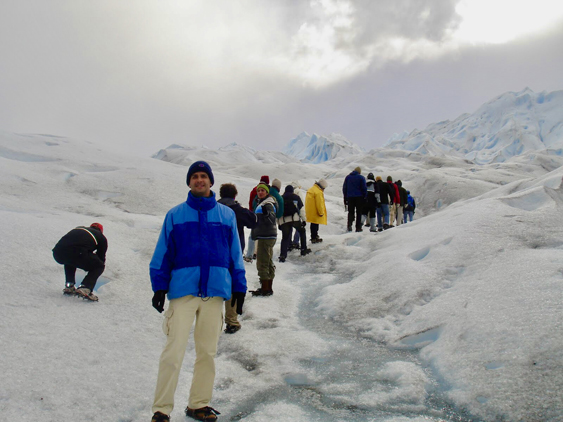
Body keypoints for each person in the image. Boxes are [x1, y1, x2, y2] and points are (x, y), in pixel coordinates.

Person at [149, 161, 247, 422]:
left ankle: (198, 404)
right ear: (189, 182)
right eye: (195, 176)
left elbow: (234, 255)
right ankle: (161, 410)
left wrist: (239, 285)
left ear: (211, 182)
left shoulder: (226, 216)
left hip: (214, 294)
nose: (199, 180)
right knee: (173, 351)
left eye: (204, 176)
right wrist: (159, 286)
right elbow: (163, 253)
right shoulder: (175, 215)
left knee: (207, 353)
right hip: (183, 293)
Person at [218, 183, 257, 334]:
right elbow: (253, 221)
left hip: (214, 255)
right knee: (233, 285)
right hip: (233, 253)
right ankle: (231, 321)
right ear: (234, 195)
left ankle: (213, 321)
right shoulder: (236, 210)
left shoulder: (213, 209)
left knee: (215, 286)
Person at [52, 222, 107, 301]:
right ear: (101, 231)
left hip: (57, 253)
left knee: (70, 258)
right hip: (77, 252)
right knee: (99, 266)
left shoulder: (79, 228)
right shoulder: (101, 237)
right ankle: (85, 287)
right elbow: (101, 257)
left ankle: (69, 285)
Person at [250, 183, 278, 296]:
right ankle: (268, 287)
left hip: (265, 236)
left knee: (262, 262)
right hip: (267, 235)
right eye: (259, 191)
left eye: (262, 190)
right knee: (268, 261)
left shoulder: (267, 203)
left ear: (267, 192)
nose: (260, 192)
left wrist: (267, 214)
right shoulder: (263, 202)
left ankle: (265, 289)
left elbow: (271, 218)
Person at [278, 184, 311, 262]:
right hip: (295, 219)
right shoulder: (296, 197)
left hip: (284, 221)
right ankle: (303, 249)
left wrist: (279, 223)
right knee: (302, 231)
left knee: (285, 238)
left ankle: (283, 255)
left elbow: (278, 213)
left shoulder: (281, 198)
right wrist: (304, 220)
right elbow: (301, 209)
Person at [244, 176, 270, 263]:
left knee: (253, 235)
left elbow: (251, 201)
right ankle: (254, 253)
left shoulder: (254, 189)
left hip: (254, 213)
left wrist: (251, 212)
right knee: (255, 235)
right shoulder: (265, 190)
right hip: (259, 215)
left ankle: (251, 254)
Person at [342, 167, 367, 232]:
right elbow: (364, 188)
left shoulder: (348, 177)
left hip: (350, 197)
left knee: (351, 212)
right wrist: (365, 196)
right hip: (359, 197)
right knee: (359, 212)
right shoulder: (361, 178)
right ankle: (358, 227)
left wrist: (345, 197)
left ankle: (349, 225)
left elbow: (345, 188)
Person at [305, 179, 328, 243]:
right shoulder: (318, 192)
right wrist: (321, 212)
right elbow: (319, 203)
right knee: (315, 225)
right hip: (315, 211)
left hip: (310, 211)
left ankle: (313, 236)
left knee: (313, 224)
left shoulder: (311, 189)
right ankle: (314, 237)